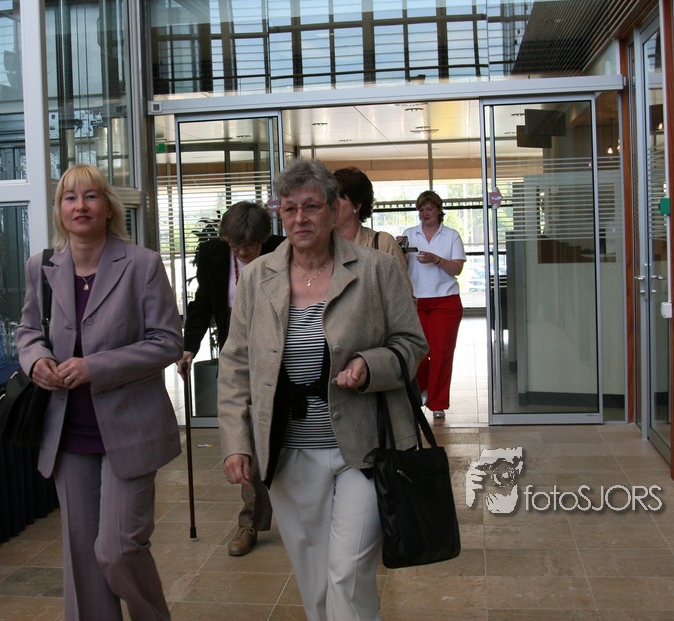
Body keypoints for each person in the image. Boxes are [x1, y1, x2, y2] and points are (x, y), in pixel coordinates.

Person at [218, 159, 427, 621]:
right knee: (314, 582)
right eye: (290, 209)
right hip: (289, 453)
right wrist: (236, 441)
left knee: (346, 574)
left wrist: (370, 366)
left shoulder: (376, 269)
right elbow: (235, 365)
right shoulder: (258, 277)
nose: (300, 218)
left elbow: (412, 344)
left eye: (311, 207)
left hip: (364, 447)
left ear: (334, 210)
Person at [16, 163, 183, 621]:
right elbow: (27, 331)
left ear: (109, 208)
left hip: (130, 428)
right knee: (83, 560)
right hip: (68, 431)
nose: (80, 206)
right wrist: (37, 360)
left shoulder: (142, 264)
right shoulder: (41, 267)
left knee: (118, 549)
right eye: (69, 198)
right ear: (59, 210)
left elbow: (167, 342)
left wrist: (96, 367)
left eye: (91, 196)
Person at [176, 200, 282, 557]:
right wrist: (189, 346)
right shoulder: (214, 254)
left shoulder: (282, 250)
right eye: (235, 245)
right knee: (245, 440)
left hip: (279, 356)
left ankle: (303, 516)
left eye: (249, 246)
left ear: (263, 239)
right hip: (237, 355)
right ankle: (250, 520)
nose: (242, 252)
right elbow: (203, 302)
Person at [401, 190, 466, 419]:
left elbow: (457, 269)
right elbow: (400, 267)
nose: (424, 213)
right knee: (417, 352)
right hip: (416, 302)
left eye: (429, 209)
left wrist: (436, 259)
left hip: (446, 302)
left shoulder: (451, 236)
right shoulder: (409, 234)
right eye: (421, 209)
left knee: (441, 354)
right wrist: (398, 249)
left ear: (439, 210)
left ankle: (438, 402)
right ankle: (422, 389)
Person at [332, 166, 407, 272]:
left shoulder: (383, 244)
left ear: (356, 205)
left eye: (336, 200)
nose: (330, 205)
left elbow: (400, 282)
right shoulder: (318, 245)